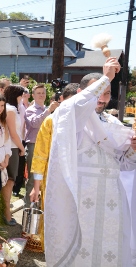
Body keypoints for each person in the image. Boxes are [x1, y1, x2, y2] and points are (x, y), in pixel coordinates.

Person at [44, 58, 136, 266]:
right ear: (81, 93)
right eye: (99, 92)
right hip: (83, 198)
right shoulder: (71, 117)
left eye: (107, 93)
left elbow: (124, 164)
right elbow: (75, 106)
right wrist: (106, 78)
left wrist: (132, 150)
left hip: (112, 199)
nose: (103, 98)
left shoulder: (113, 123)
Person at [28, 83, 78, 251]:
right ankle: (51, 247)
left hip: (77, 177)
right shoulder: (50, 121)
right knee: (52, 212)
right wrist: (36, 186)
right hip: (53, 177)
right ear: (62, 99)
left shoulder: (85, 121)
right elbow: (40, 155)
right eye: (69, 101)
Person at [23, 84, 59, 207]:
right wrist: (48, 111)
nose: (41, 95)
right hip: (34, 145)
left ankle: (40, 208)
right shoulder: (30, 110)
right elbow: (35, 123)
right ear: (33, 95)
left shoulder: (48, 109)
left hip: (48, 146)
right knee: (33, 179)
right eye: (38, 93)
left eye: (43, 93)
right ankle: (28, 210)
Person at [2, 85, 26, 226]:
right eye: (21, 95)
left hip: (13, 147)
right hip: (11, 147)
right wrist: (22, 148)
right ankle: (6, 213)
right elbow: (13, 132)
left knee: (10, 181)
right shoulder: (10, 109)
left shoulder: (13, 109)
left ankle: (5, 211)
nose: (22, 98)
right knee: (10, 181)